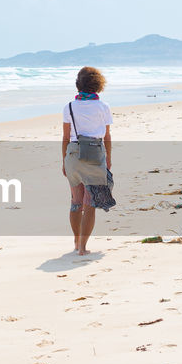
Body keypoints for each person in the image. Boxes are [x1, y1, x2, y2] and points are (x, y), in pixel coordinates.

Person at [61, 66, 112, 255]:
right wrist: (108, 159)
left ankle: (76, 242)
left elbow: (65, 138)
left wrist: (63, 161)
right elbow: (107, 137)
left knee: (76, 201)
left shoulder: (69, 107)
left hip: (73, 153)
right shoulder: (103, 107)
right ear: (98, 84)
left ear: (78, 84)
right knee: (90, 203)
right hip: (95, 153)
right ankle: (83, 247)